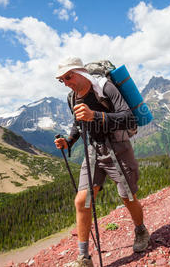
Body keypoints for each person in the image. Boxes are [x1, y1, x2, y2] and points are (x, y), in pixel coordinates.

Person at [54, 57, 150, 267]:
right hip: (93, 150)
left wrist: (96, 116)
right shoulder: (72, 98)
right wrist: (68, 141)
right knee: (82, 200)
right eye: (62, 80)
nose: (66, 82)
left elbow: (128, 117)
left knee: (127, 196)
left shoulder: (105, 87)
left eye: (68, 77)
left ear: (80, 72)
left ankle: (141, 230)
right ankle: (84, 257)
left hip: (117, 147)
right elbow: (77, 124)